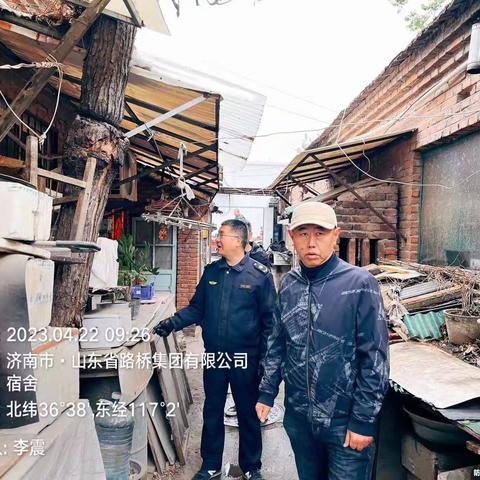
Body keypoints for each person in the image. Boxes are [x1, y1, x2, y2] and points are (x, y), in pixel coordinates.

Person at [256, 201, 389, 480]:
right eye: (303, 233)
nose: (311, 242)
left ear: (335, 235)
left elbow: (375, 359)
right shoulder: (290, 283)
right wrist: (267, 391)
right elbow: (278, 342)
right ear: (292, 237)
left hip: (344, 425)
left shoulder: (359, 284)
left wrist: (363, 421)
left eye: (321, 233)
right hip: (299, 420)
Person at [154, 219, 276, 480]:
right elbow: (197, 308)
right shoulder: (212, 272)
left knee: (247, 412)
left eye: (221, 234)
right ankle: (210, 465)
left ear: (238, 241)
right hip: (216, 356)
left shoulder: (259, 275)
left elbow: (270, 324)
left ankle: (251, 467)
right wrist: (172, 323)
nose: (217, 239)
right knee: (212, 409)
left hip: (246, 357)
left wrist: (266, 363)